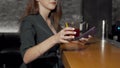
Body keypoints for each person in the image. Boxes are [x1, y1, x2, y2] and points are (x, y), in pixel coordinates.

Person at [20, 0, 91, 68]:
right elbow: (26, 57)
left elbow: (57, 43)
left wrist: (78, 40)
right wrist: (55, 38)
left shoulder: (52, 21)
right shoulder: (29, 21)